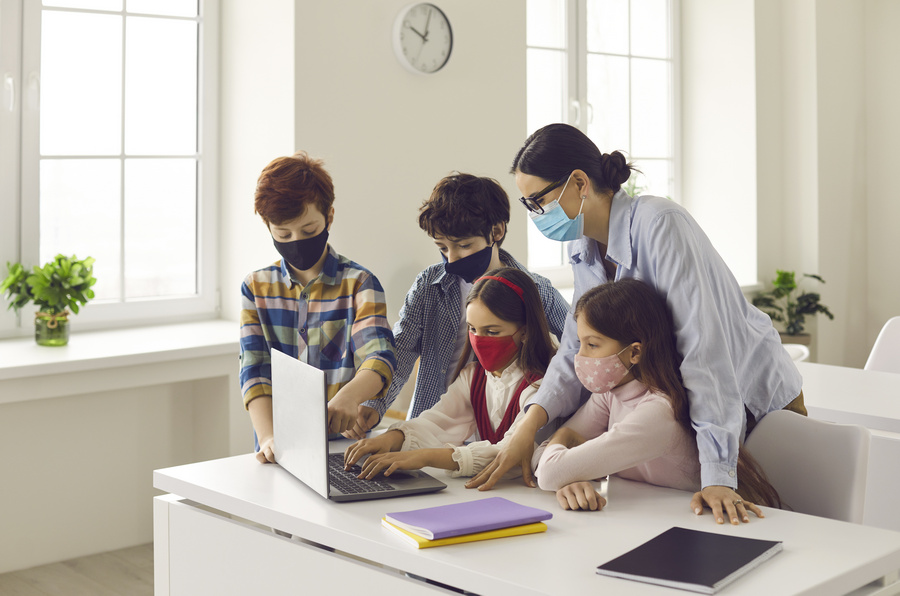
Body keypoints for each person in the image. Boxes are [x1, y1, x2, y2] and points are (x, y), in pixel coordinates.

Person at [469, 123, 804, 526]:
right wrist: (531, 423)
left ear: (578, 183)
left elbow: (703, 350)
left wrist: (719, 473)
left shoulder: (661, 224)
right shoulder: (584, 246)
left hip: (751, 400)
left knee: (777, 527)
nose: (537, 217)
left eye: (538, 202)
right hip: (682, 407)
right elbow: (576, 347)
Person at [532, 279, 779, 517]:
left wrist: (563, 441)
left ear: (635, 352)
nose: (580, 356)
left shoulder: (659, 413)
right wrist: (571, 479)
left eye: (593, 345)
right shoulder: (611, 395)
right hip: (643, 521)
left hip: (693, 528)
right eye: (580, 343)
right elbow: (540, 459)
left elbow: (549, 472)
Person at [351, 173, 569, 438]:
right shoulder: (428, 285)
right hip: (431, 428)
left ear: (496, 231)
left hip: (504, 435)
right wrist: (375, 403)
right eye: (442, 248)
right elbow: (402, 350)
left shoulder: (535, 290)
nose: (452, 259)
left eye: (464, 246)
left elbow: (572, 355)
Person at [239, 151, 397, 464]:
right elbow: (254, 370)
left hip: (343, 452)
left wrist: (350, 396)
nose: (296, 241)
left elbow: (379, 358)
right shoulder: (255, 287)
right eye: (283, 234)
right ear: (267, 226)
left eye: (309, 231)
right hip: (276, 450)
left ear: (330, 216)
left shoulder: (359, 283)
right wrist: (268, 436)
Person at [343, 267, 557, 480]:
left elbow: (508, 454)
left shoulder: (542, 387)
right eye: (473, 329)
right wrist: (391, 438)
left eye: (492, 332)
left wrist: (423, 457)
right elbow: (438, 422)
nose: (478, 340)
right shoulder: (474, 376)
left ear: (525, 331)